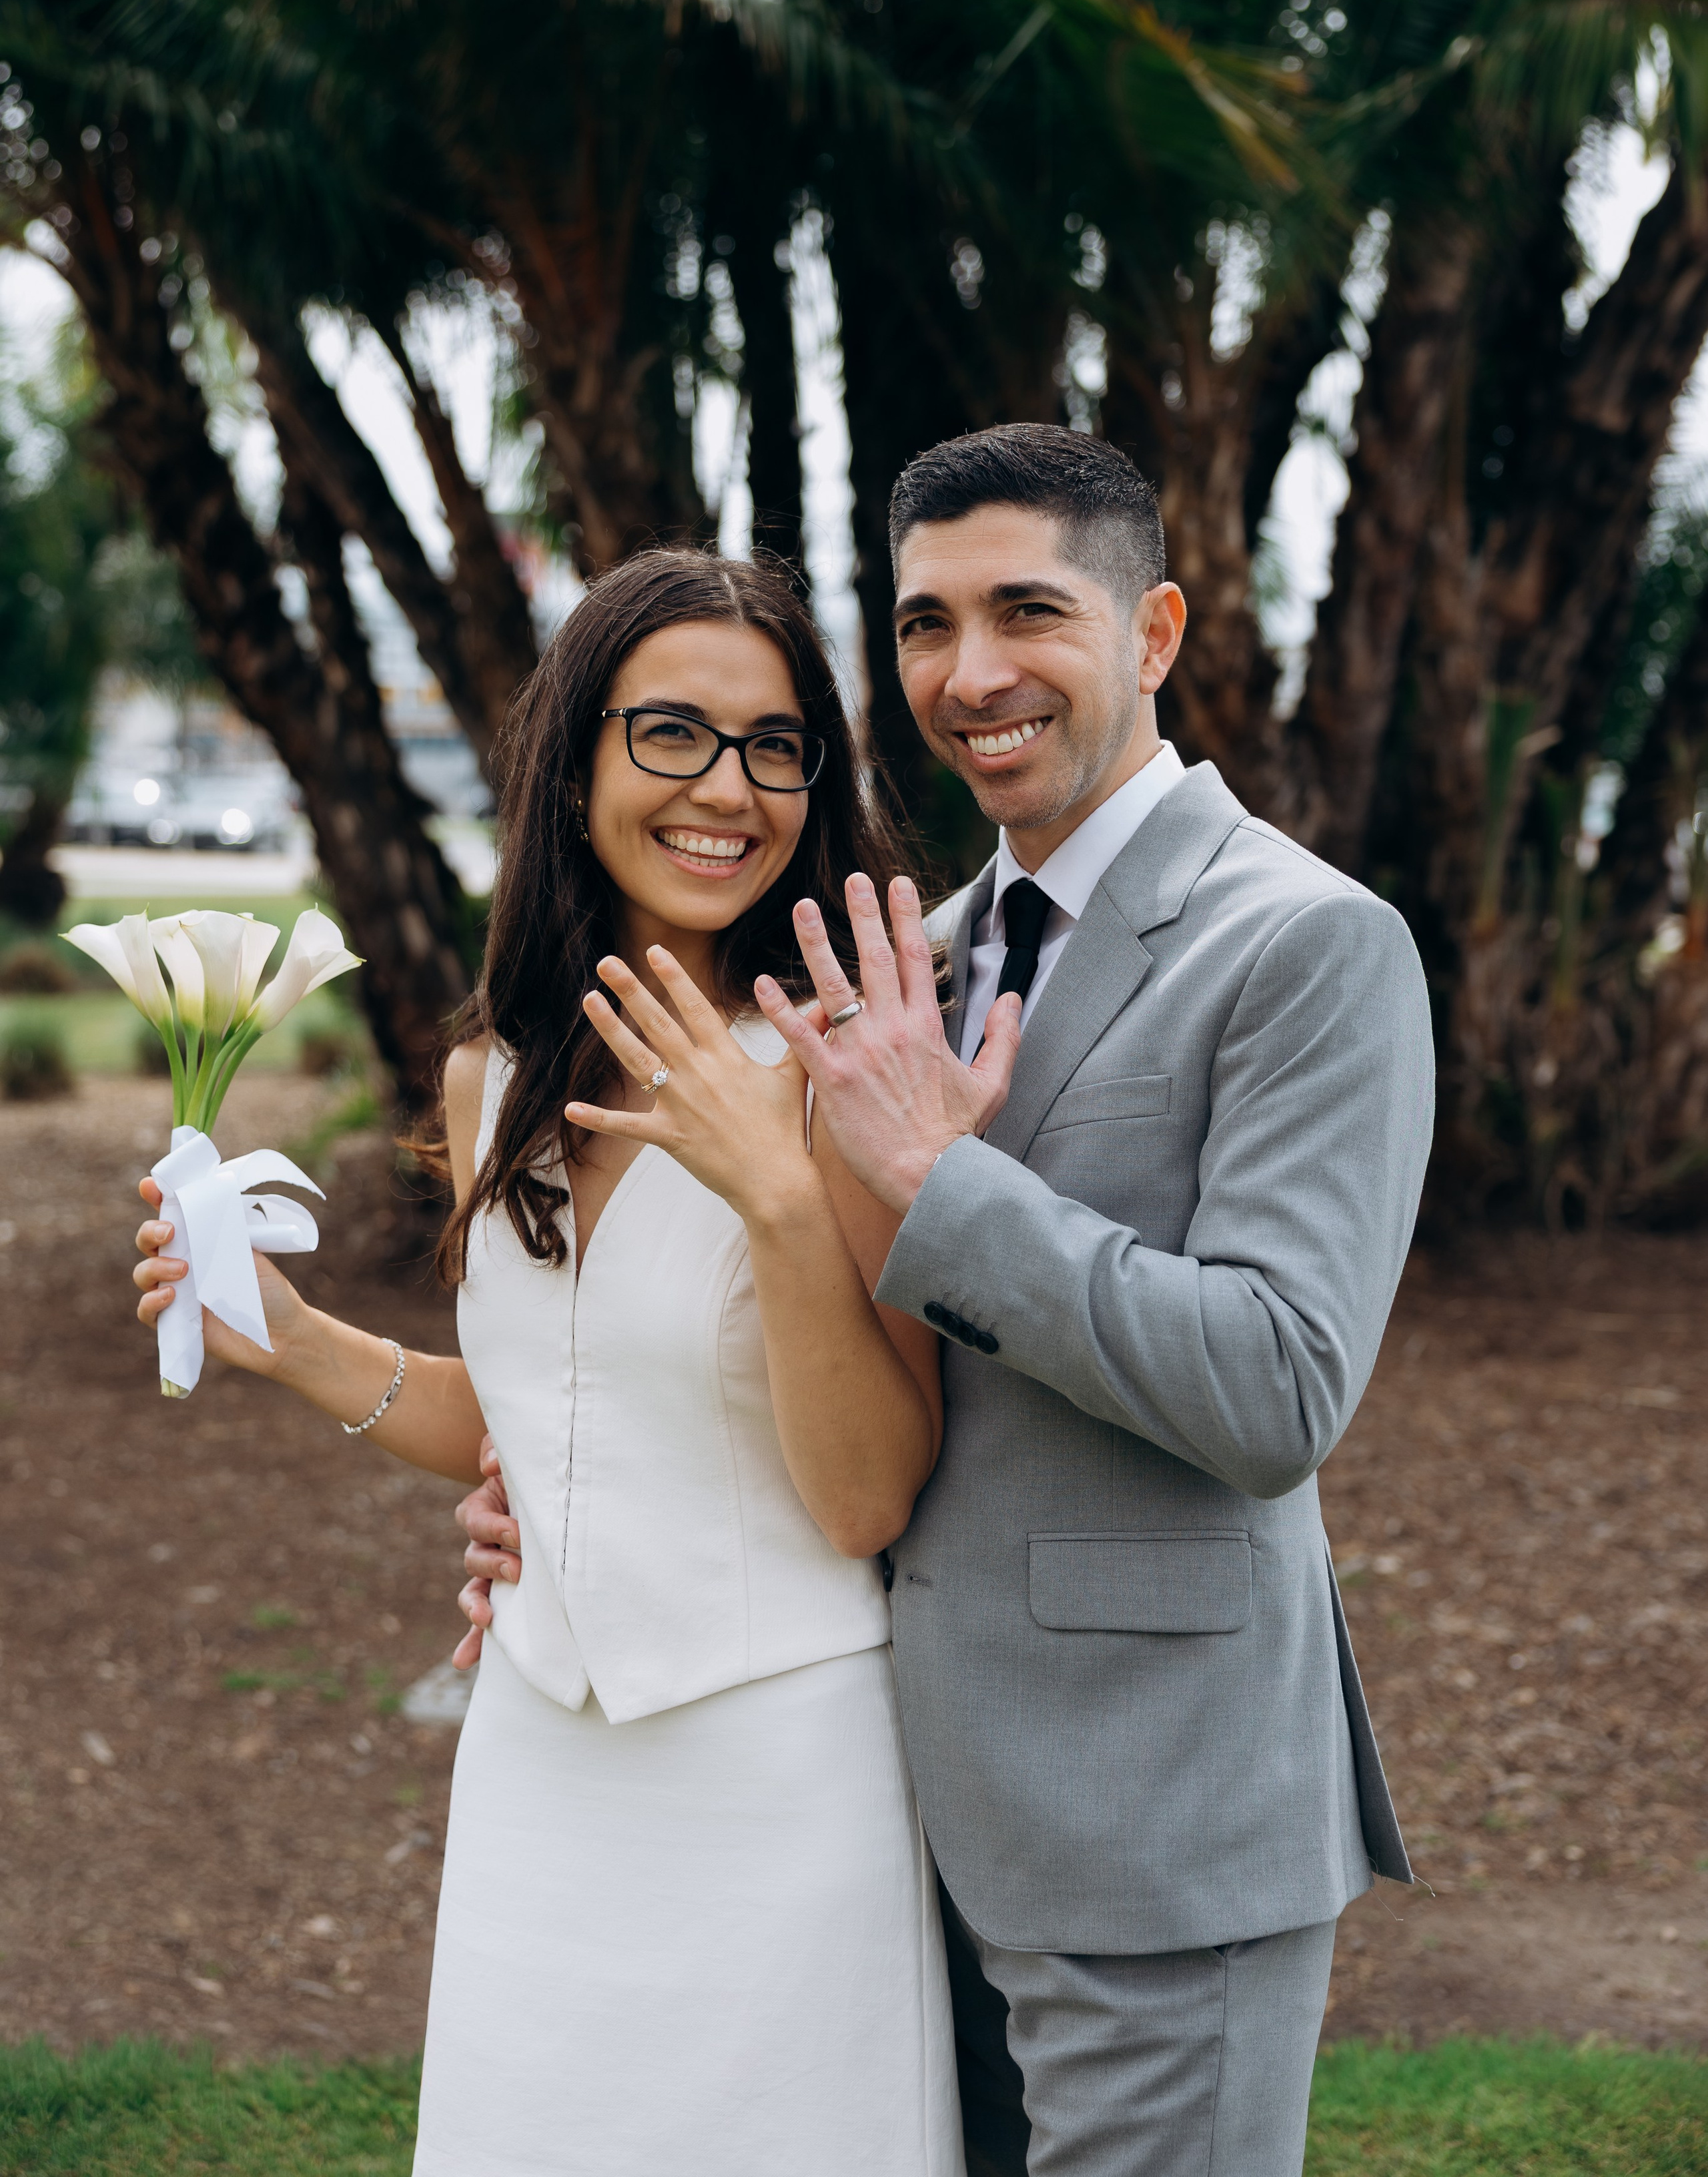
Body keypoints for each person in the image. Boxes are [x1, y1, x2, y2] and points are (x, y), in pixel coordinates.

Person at [458, 426, 1436, 2177]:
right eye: (924, 624)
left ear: (1153, 634)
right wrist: (563, 1480)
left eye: (1028, 613)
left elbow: (1281, 1389)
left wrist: (944, 1184)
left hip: (1151, 1826)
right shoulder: (905, 943)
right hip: (881, 1815)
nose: (971, 674)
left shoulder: (1307, 942)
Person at [132, 550, 970, 2177]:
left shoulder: (848, 1076)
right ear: (574, 758)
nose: (726, 788)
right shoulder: (490, 1077)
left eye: (774, 744)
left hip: (780, 1778)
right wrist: (293, 1342)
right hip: (537, 1766)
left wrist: (782, 1198)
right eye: (671, 733)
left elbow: (869, 1492)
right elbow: (551, 1424)